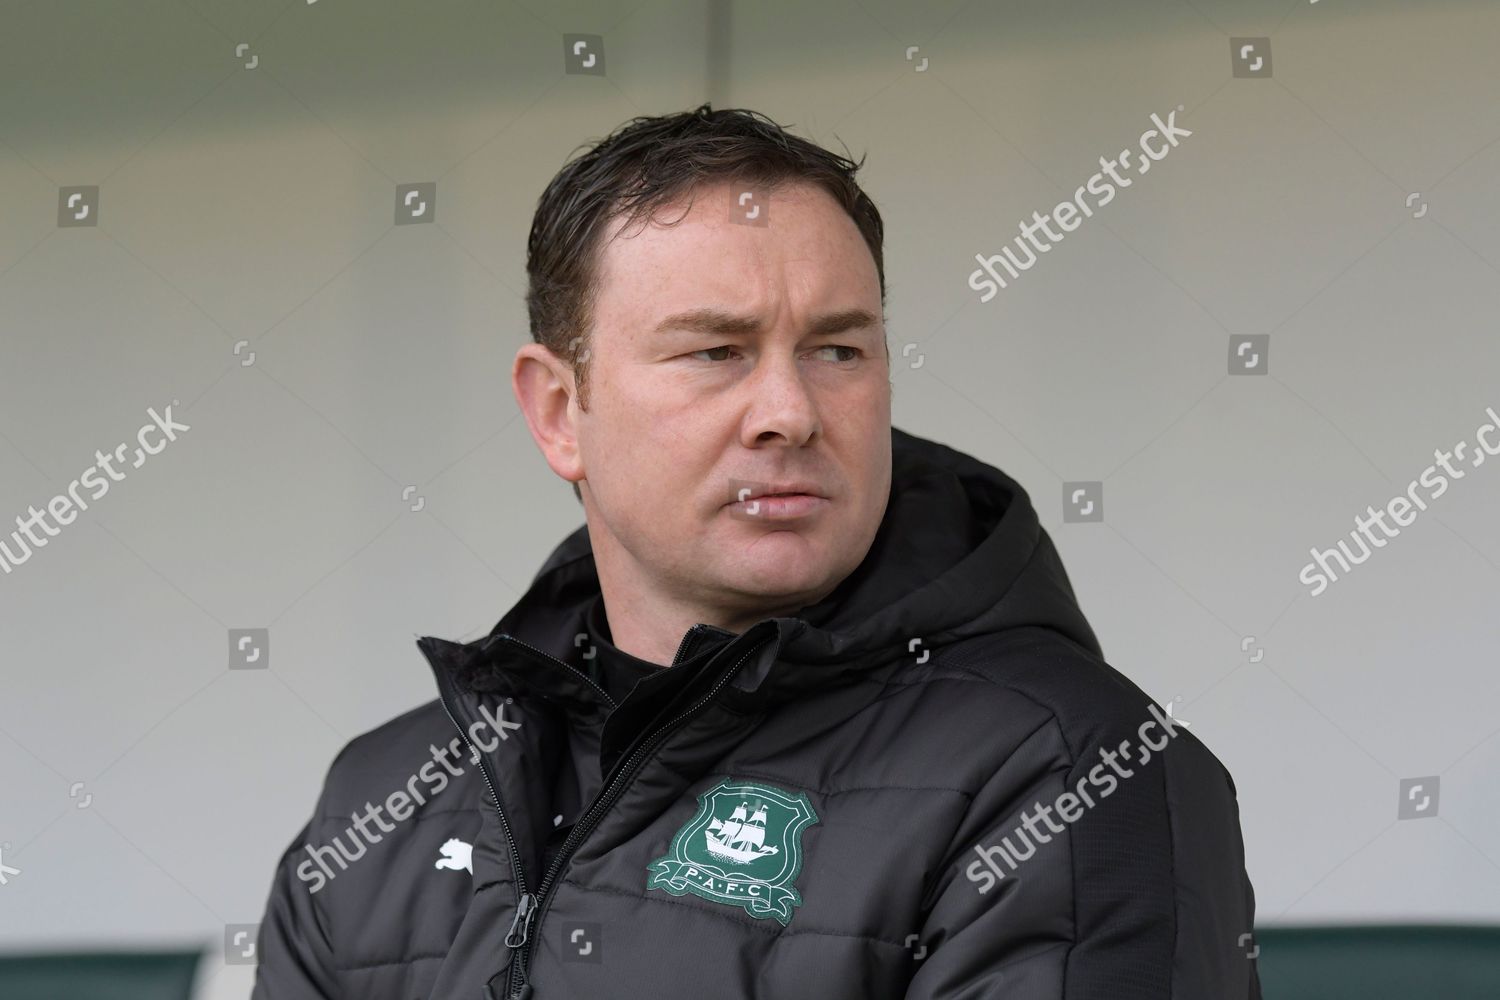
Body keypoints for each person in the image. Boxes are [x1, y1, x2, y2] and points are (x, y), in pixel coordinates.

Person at [252, 103, 1261, 1000]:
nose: (790, 412)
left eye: (838, 349)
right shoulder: (384, 799)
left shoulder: (1070, 767)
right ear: (560, 410)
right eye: (716, 352)